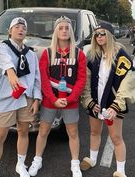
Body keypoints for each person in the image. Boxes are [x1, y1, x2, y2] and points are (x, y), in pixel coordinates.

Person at [28, 16, 87, 177]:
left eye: (67, 28)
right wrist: (53, 99)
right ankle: (37, 160)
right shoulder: (47, 53)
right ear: (55, 31)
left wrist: (70, 98)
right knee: (43, 131)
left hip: (70, 101)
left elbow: (81, 79)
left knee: (73, 133)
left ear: (71, 31)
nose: (64, 31)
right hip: (50, 100)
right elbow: (43, 79)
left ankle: (75, 164)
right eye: (60, 28)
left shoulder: (79, 54)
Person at [81, 22, 135, 177]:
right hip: (96, 103)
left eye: (102, 33)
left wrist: (116, 105)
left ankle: (121, 171)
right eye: (96, 34)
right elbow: (85, 80)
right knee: (94, 132)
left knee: (116, 137)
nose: (99, 37)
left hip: (112, 104)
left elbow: (130, 79)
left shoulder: (120, 54)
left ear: (110, 35)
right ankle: (92, 159)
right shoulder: (93, 55)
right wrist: (89, 101)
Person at [0, 17, 42, 177]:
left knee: (23, 131)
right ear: (10, 31)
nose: (20, 29)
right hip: (6, 98)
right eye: (16, 26)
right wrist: (11, 73)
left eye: (23, 27)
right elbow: (5, 61)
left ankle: (20, 164)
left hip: (26, 98)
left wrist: (37, 99)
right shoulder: (2, 48)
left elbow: (37, 78)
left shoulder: (31, 54)